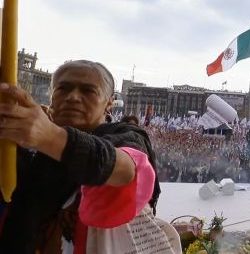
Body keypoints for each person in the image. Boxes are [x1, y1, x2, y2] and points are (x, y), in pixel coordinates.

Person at [0, 60, 162, 253]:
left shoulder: (126, 133)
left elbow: (127, 170)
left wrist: (50, 137)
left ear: (109, 103)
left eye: (88, 91)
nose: (73, 97)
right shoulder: (23, 140)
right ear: (52, 96)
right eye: (63, 88)